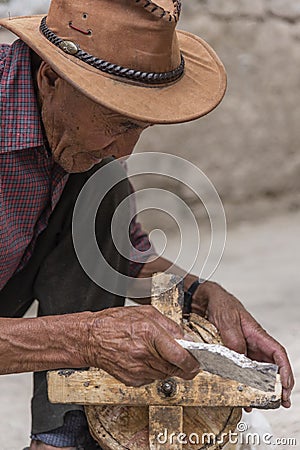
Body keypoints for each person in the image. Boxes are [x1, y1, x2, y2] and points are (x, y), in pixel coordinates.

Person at [0, 0, 294, 449]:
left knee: (103, 187)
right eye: (118, 123)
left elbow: (125, 256)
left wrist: (202, 296)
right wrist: (88, 339)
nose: (126, 151)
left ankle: (62, 440)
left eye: (140, 127)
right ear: (51, 78)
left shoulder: (77, 144)